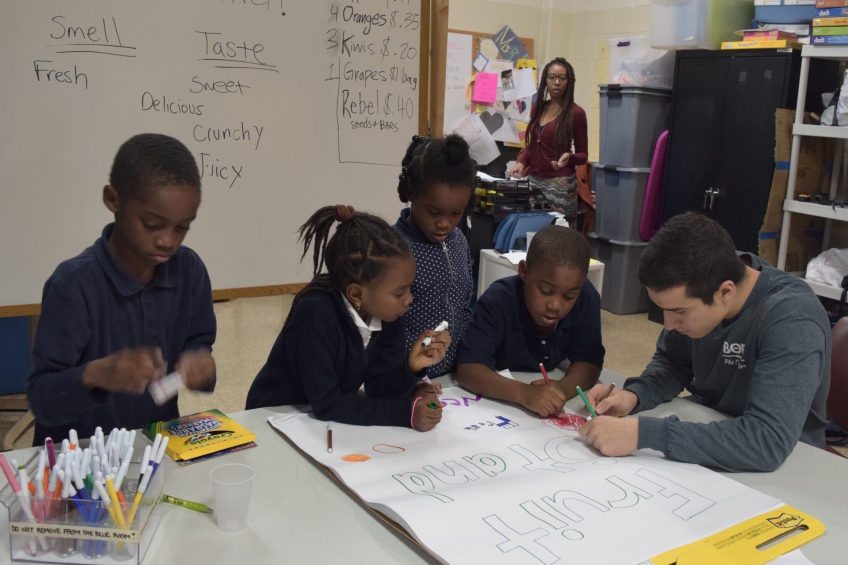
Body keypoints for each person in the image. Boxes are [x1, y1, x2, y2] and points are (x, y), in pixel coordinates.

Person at [580, 213, 831, 472]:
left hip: (788, 466)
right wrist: (634, 395)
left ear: (725, 292)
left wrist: (644, 434)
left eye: (679, 312)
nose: (668, 325)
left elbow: (767, 441)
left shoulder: (793, 320)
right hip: (710, 435)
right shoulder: (705, 274)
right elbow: (673, 362)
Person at [27, 134, 217, 444]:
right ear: (113, 199)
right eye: (153, 224)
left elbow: (199, 341)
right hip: (79, 461)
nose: (168, 240)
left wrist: (200, 361)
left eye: (182, 227)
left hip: (153, 451)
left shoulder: (189, 271)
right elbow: (42, 400)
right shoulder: (73, 285)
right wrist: (95, 374)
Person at [246, 205, 450, 431]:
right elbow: (327, 403)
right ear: (357, 294)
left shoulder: (389, 314)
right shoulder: (314, 316)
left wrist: (411, 368)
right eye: (399, 292)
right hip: (273, 417)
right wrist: (404, 415)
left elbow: (378, 389)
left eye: (409, 288)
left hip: (325, 420)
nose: (409, 299)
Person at [456, 225, 604, 416]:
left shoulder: (586, 298)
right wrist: (524, 394)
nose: (555, 305)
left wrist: (562, 389)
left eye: (568, 297)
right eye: (546, 291)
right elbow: (469, 368)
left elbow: (589, 359)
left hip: (552, 382)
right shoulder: (498, 300)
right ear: (524, 271)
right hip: (499, 396)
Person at [393, 134, 476, 377]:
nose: (444, 224)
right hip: (407, 375)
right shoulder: (393, 248)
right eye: (433, 211)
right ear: (411, 192)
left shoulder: (459, 241)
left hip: (454, 378)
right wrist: (415, 370)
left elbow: (464, 306)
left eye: (456, 213)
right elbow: (384, 328)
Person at [508, 57, 588, 219]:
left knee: (557, 238)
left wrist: (570, 157)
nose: (556, 82)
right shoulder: (538, 108)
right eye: (552, 77)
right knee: (531, 233)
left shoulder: (576, 113)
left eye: (562, 78)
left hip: (561, 184)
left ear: (569, 81)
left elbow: (583, 154)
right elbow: (533, 147)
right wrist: (520, 163)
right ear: (545, 80)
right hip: (534, 182)